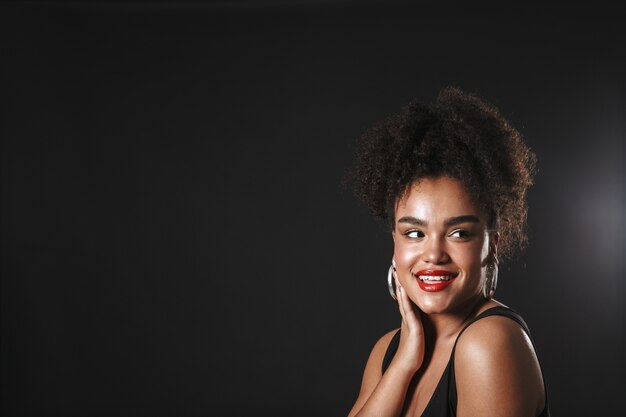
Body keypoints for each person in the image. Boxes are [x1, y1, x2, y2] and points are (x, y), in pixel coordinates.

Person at [346, 87, 550, 417]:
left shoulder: (489, 343)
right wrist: (404, 364)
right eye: (414, 233)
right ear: (395, 243)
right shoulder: (388, 351)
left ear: (491, 245)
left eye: (459, 233)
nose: (434, 254)